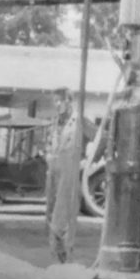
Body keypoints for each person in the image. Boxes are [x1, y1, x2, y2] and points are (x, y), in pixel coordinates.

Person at [45, 89, 86, 263]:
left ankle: (65, 258)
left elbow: (102, 137)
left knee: (64, 216)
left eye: (60, 101)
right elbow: (49, 144)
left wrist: (85, 162)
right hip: (54, 172)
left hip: (69, 173)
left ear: (69, 101)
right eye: (55, 101)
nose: (57, 104)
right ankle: (57, 258)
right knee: (51, 213)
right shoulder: (54, 123)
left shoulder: (79, 121)